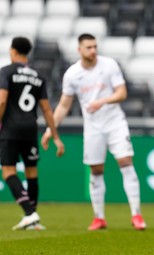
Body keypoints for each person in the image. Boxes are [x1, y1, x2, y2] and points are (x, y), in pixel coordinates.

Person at [41, 33, 146, 230]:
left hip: (115, 122)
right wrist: (50, 130)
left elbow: (122, 93)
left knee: (125, 162)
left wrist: (102, 101)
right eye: (88, 47)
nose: (93, 50)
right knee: (96, 170)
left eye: (95, 46)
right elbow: (64, 105)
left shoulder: (109, 65)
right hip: (93, 127)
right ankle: (99, 217)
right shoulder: (72, 74)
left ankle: (137, 215)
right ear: (79, 50)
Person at [0, 37, 65, 230]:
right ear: (27, 52)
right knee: (32, 172)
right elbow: (46, 109)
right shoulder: (38, 75)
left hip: (10, 128)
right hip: (30, 128)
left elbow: (2, 101)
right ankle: (33, 220)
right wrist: (55, 136)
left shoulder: (5, 72)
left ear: (13, 51)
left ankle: (30, 213)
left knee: (8, 171)